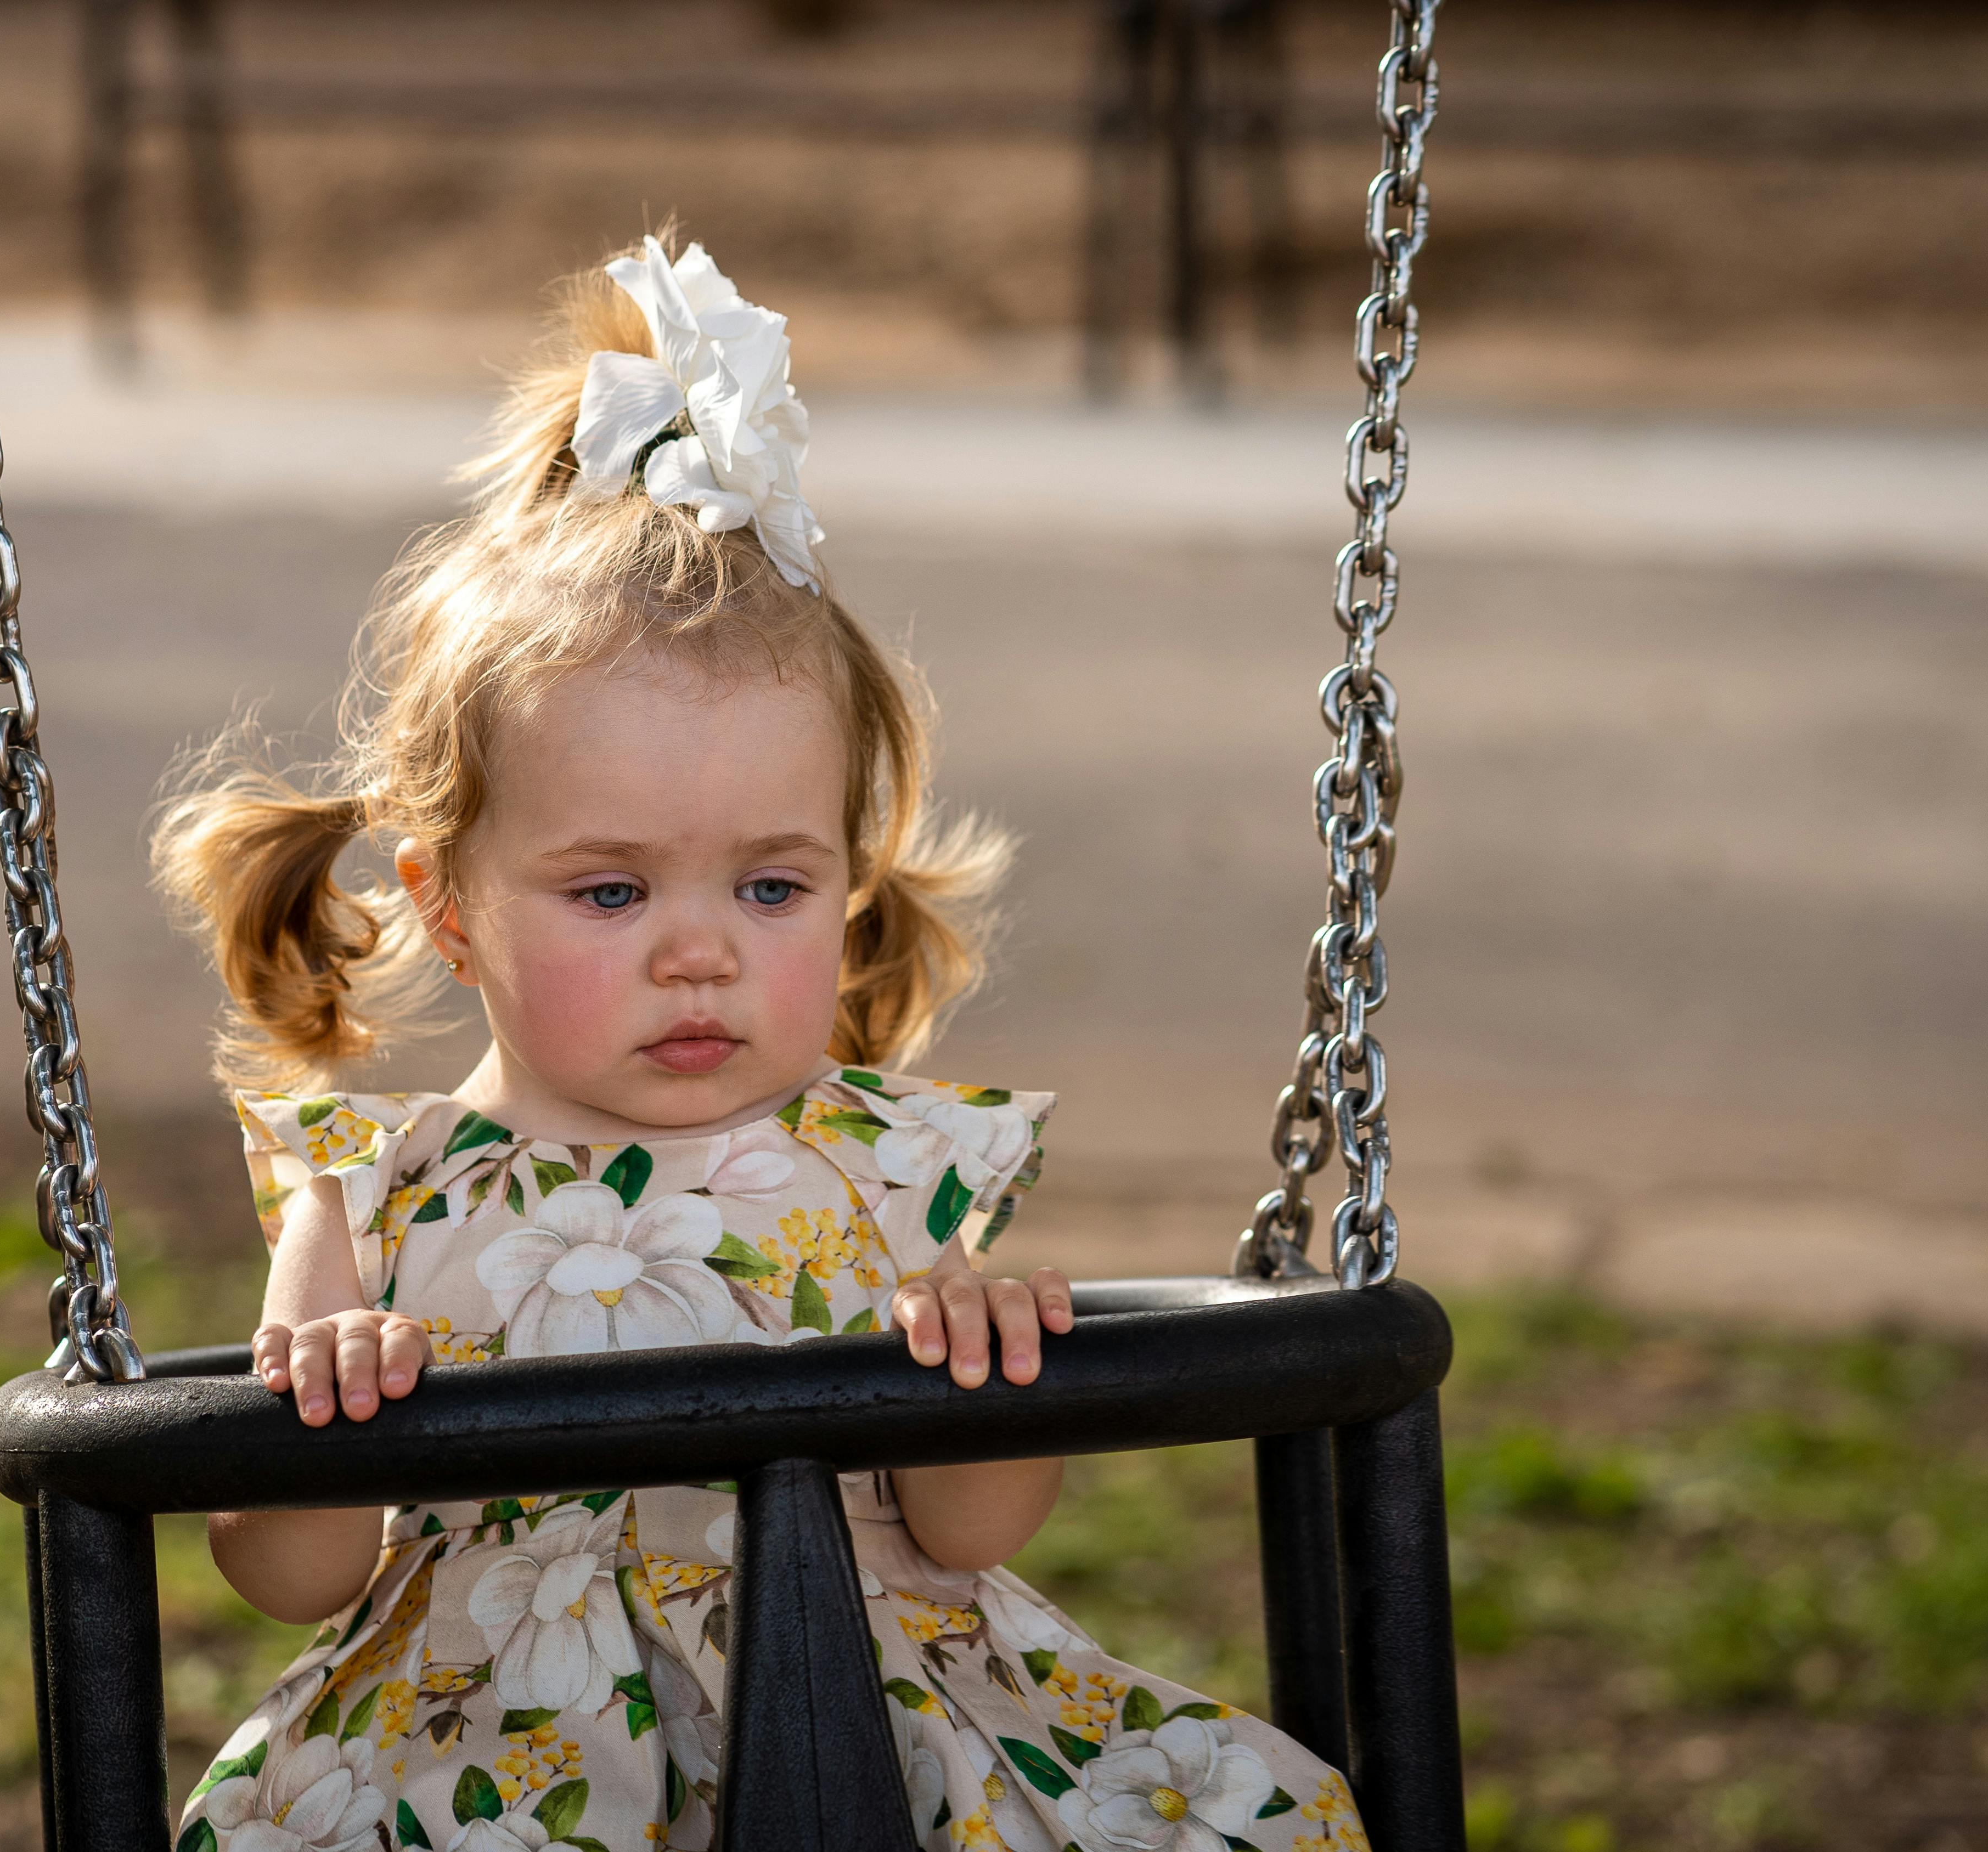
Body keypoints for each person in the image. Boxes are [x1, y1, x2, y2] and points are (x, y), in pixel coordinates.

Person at [150, 234, 1366, 1852]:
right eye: (609, 889)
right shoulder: (375, 1196)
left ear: (848, 886)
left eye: (773, 883)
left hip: (875, 1729)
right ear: (449, 909)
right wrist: (327, 1415)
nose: (702, 946)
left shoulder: (891, 1170)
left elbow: (971, 1534)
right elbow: (283, 1575)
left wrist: (987, 1368)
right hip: (487, 1761)